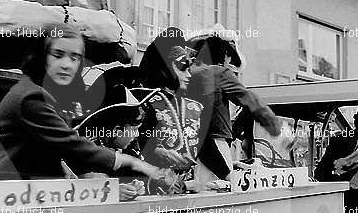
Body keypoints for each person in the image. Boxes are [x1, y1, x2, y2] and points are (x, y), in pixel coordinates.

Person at [0, 23, 167, 184]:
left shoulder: (48, 96)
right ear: (41, 57)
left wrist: (108, 183)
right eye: (58, 55)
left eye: (75, 58)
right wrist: (130, 162)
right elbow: (72, 146)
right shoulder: (30, 97)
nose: (67, 64)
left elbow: (67, 156)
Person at [185, 38, 285, 184]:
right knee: (224, 194)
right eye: (229, 58)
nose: (229, 63)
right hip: (217, 143)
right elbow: (249, 100)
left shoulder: (189, 74)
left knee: (203, 195)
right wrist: (277, 129)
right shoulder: (218, 72)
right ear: (225, 54)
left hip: (198, 147)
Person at [137, 31, 203, 193]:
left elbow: (206, 149)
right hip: (150, 189)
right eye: (183, 69)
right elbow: (137, 142)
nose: (189, 75)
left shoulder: (194, 107)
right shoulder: (145, 101)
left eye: (189, 69)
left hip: (185, 189)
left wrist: (229, 172)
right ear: (166, 68)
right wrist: (155, 151)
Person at [76, 84, 156, 200]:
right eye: (134, 129)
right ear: (116, 130)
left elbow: (138, 174)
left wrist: (135, 186)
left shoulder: (131, 148)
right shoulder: (87, 149)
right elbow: (82, 185)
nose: (137, 134)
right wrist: (112, 192)